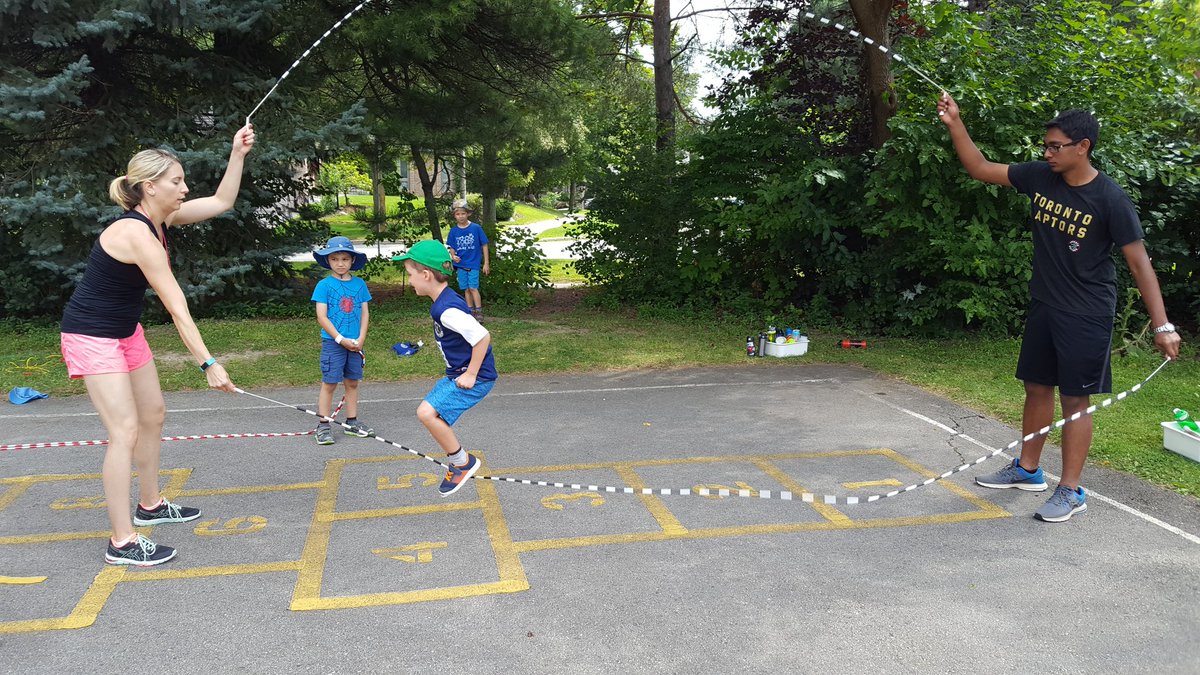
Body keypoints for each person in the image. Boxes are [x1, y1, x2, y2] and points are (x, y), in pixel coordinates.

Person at [938, 94, 1181, 522]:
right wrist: (956, 122)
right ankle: (1028, 470)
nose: (1046, 153)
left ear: (1082, 146)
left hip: (1087, 312)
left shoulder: (1110, 199)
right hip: (1046, 304)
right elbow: (979, 168)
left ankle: (1071, 490)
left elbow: (1140, 263)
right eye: (1045, 146)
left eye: (1055, 146)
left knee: (1075, 400)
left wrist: (1162, 325)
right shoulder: (1040, 177)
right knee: (1036, 386)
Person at [60, 123, 256, 565]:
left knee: (153, 414)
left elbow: (222, 202)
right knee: (124, 432)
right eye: (177, 181)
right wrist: (209, 363)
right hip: (91, 335)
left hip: (125, 331)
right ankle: (122, 542)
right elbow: (176, 307)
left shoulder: (160, 218)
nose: (185, 188)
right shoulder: (136, 234)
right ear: (149, 187)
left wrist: (237, 154)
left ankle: (150, 506)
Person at [391, 239, 497, 496]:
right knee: (426, 412)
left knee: (427, 414)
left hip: (476, 377)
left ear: (426, 274)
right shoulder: (442, 302)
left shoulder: (447, 309)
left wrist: (471, 374)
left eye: (410, 275)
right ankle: (460, 461)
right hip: (456, 374)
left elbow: (482, 337)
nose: (410, 281)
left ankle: (462, 463)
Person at [311, 236, 373, 444]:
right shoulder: (324, 285)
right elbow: (322, 316)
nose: (340, 263)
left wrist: (361, 338)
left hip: (355, 343)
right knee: (330, 383)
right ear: (328, 261)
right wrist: (339, 339)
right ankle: (323, 425)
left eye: (345, 259)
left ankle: (352, 422)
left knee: (352, 382)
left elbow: (364, 313)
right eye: (335, 259)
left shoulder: (360, 284)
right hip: (333, 343)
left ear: (352, 261)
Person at [444, 199, 490, 320]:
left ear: (468, 214)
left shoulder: (476, 228)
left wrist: (486, 263)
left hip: (473, 263)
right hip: (460, 265)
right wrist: (453, 256)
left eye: (463, 213)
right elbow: (452, 247)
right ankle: (470, 311)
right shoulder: (454, 231)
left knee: (473, 288)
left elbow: (484, 244)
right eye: (458, 214)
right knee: (466, 289)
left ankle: (479, 311)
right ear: (454, 216)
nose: (461, 216)